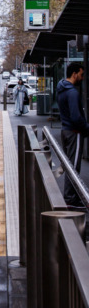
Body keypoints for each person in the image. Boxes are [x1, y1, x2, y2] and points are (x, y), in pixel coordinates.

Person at [56, 61, 89, 209]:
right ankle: (70, 199)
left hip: (65, 130)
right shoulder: (73, 93)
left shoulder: (61, 88)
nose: (82, 78)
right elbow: (76, 117)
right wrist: (86, 128)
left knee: (69, 165)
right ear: (74, 74)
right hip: (74, 133)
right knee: (73, 167)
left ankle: (71, 198)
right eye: (81, 75)